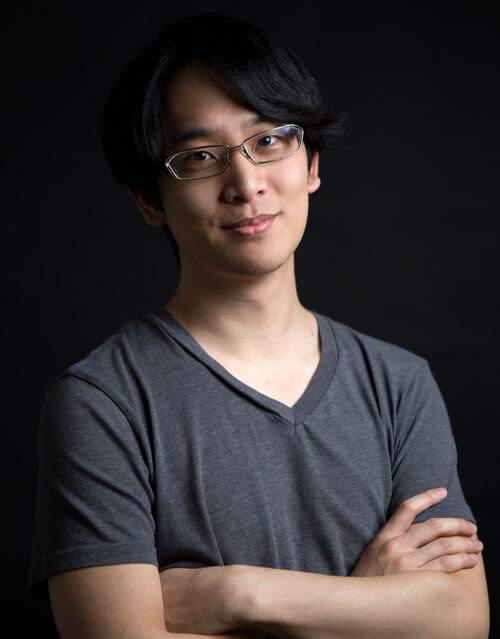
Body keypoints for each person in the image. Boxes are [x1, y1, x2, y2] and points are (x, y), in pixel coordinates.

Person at [29, 13, 489, 638]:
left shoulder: (401, 385)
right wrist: (368, 607)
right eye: (199, 157)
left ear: (312, 162)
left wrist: (238, 594)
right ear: (148, 199)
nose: (246, 183)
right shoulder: (102, 402)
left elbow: (462, 619)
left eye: (270, 140)